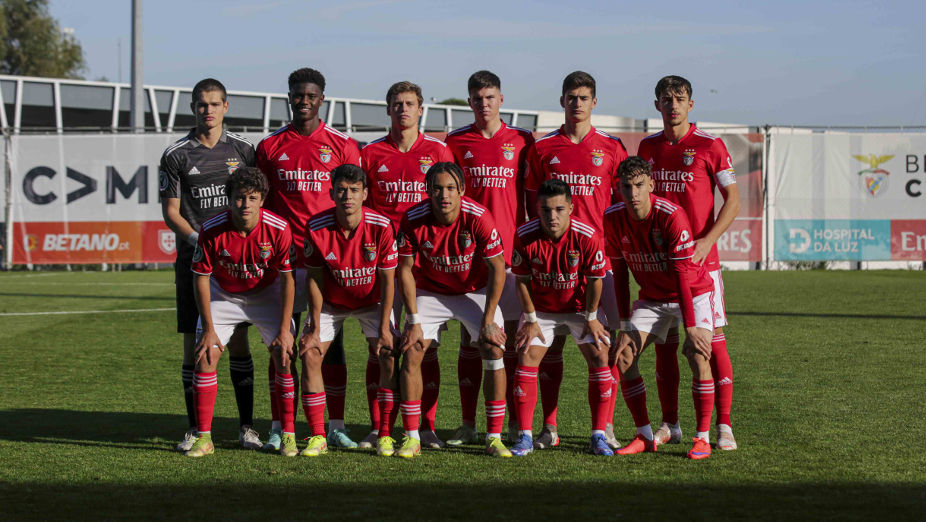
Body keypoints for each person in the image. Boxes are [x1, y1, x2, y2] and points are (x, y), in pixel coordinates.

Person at [257, 67, 362, 451]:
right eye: (298, 95)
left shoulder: (342, 145)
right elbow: (263, 203)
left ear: (322, 99)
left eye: (311, 95)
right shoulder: (270, 147)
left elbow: (354, 202)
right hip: (284, 262)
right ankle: (277, 425)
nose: (304, 101)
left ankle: (334, 425)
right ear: (289, 97)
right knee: (280, 343)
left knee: (331, 343)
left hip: (328, 262)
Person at [523, 71, 628, 450]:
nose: (577, 103)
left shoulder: (613, 148)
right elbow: (531, 205)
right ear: (562, 101)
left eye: (584, 97)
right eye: (571, 97)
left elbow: (623, 204)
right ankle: (549, 427)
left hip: (600, 264)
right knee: (550, 347)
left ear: (594, 102)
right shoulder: (542, 148)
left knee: (604, 345)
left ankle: (607, 426)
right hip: (552, 264)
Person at [637, 75, 739, 450]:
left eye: (679, 99)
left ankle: (723, 426)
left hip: (701, 263)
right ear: (657, 105)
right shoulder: (647, 148)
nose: (673, 105)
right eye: (666, 99)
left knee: (711, 344)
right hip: (660, 266)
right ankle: (671, 423)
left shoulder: (710, 146)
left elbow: (733, 199)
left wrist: (707, 240)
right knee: (665, 344)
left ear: (691, 105)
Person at [159, 78, 260, 453]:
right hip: (194, 261)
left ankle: (247, 427)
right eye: (202, 104)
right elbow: (171, 212)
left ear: (226, 107)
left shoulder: (244, 151)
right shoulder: (176, 154)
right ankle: (194, 429)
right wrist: (199, 241)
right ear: (193, 107)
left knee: (238, 341)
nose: (209, 110)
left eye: (215, 104)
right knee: (195, 345)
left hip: (238, 262)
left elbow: (256, 200)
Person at [360, 81, 454, 449]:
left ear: (420, 110)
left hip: (425, 269)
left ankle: (425, 427)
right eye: (396, 104)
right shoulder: (370, 153)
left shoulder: (439, 151)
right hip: (382, 269)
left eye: (410, 104)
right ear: (388, 110)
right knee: (381, 348)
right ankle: (379, 427)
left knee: (423, 347)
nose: (403, 110)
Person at [603, 156, 716, 460]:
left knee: (697, 352)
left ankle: (702, 437)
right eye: (627, 186)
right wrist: (625, 324)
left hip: (692, 294)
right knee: (624, 354)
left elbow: (681, 275)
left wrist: (691, 327)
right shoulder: (612, 217)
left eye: (639, 185)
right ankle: (644, 434)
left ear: (651, 185)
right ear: (619, 188)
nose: (633, 193)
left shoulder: (671, 215)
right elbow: (621, 275)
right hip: (652, 299)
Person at [396, 162, 510, 458]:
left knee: (493, 347)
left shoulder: (479, 216)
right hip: (431, 290)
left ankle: (494, 437)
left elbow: (498, 267)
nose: (443, 195)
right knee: (412, 348)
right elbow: (404, 270)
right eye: (436, 188)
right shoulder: (412, 218)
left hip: (475, 290)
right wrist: (413, 320)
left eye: (450, 188)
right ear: (427, 191)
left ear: (462, 190)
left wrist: (488, 319)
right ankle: (412, 437)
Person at [445, 70, 534, 446]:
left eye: (491, 97)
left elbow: (530, 199)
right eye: (478, 98)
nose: (485, 104)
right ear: (470, 102)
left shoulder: (522, 140)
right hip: (470, 257)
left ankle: (514, 423)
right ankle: (468, 424)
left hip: (511, 256)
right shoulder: (455, 141)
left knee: (512, 341)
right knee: (470, 340)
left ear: (501, 99)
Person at [184, 167, 295, 457]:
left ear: (262, 200)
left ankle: (288, 435)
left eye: (252, 198)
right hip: (225, 295)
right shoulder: (211, 229)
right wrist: (208, 329)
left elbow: (287, 280)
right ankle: (204, 437)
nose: (245, 205)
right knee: (206, 354)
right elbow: (200, 277)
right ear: (229, 199)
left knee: (284, 355)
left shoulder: (279, 229)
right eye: (239, 198)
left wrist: (285, 330)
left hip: (265, 293)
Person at [298, 164, 398, 457]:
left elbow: (388, 279)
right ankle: (318, 435)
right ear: (331, 193)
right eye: (341, 190)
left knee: (387, 353)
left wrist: (383, 329)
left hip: (373, 302)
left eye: (354, 190)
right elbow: (314, 278)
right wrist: (314, 324)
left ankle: (385, 433)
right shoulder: (316, 227)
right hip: (332, 303)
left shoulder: (381, 225)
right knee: (310, 351)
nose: (347, 196)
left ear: (365, 194)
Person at [508, 179, 613, 456]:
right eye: (545, 209)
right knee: (526, 352)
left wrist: (591, 317)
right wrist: (530, 320)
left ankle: (599, 435)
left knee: (600, 354)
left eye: (558, 209)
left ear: (571, 208)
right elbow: (521, 281)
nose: (551, 216)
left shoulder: (588, 235)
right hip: (541, 310)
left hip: (580, 309)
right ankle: (526, 437)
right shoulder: (525, 235)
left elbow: (595, 280)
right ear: (537, 209)